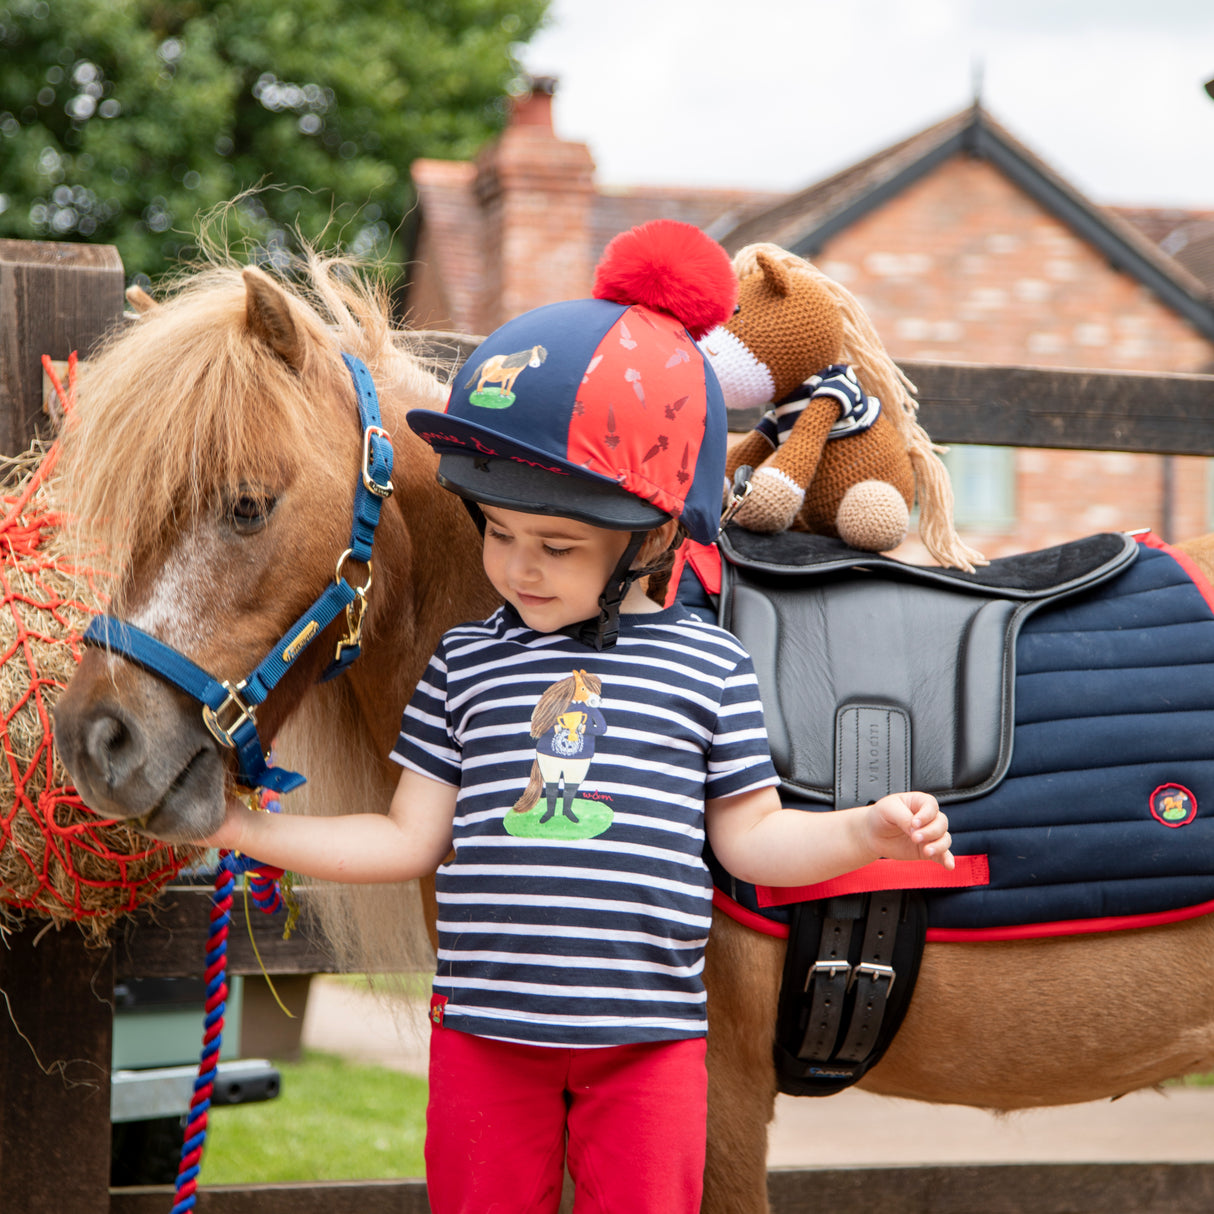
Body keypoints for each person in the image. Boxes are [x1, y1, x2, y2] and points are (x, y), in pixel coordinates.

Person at [201, 221, 953, 1214]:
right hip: (482, 1047)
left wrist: (862, 830)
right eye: (500, 533)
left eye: (554, 543)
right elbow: (403, 834)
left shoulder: (706, 666)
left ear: (646, 536)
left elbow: (751, 837)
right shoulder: (464, 665)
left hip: (645, 1053)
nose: (517, 566)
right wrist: (243, 825)